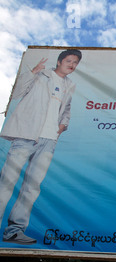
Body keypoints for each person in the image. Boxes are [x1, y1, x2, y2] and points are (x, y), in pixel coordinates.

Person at [0, 49, 82, 245]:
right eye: (69, 60)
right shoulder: (42, 75)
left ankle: (14, 230)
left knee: (32, 187)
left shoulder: (69, 85)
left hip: (48, 141)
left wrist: (62, 127)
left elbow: (66, 109)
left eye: (76, 62)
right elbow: (17, 93)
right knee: (7, 182)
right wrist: (33, 72)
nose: (72, 64)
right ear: (60, 61)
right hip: (26, 135)